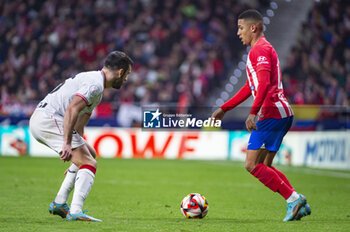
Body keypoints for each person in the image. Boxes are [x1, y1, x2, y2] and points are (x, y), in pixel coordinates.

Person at [211, 10, 311, 221]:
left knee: (251, 165)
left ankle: (293, 199)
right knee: (264, 166)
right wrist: (225, 108)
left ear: (253, 28)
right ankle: (297, 200)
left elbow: (264, 85)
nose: (238, 32)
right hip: (280, 112)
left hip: (271, 112)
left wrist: (253, 113)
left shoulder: (260, 50)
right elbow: (251, 86)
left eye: (241, 28)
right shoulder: (260, 50)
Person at [29, 51, 133, 222]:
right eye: (127, 74)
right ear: (120, 72)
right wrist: (67, 144)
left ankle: (60, 202)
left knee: (89, 155)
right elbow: (71, 109)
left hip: (45, 119)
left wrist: (77, 153)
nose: (126, 79)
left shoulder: (95, 86)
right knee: (90, 163)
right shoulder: (95, 85)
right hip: (49, 119)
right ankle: (76, 210)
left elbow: (79, 124)